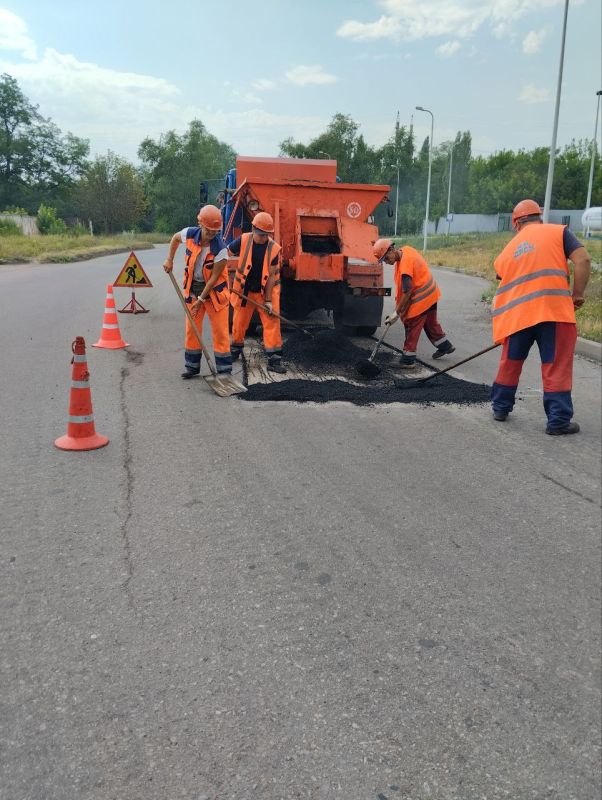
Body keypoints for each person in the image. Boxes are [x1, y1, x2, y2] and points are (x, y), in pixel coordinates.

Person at [490, 199, 591, 435]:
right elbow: (583, 260)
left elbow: (503, 277)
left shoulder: (509, 249)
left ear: (516, 223)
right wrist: (577, 294)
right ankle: (558, 421)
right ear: (539, 217)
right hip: (554, 313)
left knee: (510, 363)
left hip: (518, 318)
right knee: (555, 366)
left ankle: (500, 408)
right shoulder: (558, 233)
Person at [163, 205, 233, 379]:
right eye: (209, 231)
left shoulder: (221, 250)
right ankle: (192, 367)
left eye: (215, 232)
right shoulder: (189, 234)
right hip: (193, 290)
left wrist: (201, 300)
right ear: (200, 224)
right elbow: (174, 239)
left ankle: (224, 371)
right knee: (192, 330)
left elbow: (212, 279)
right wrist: (169, 259)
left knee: (220, 331)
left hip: (215, 294)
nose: (211, 235)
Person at [373, 238, 455, 368]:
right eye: (384, 261)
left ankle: (408, 360)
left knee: (412, 325)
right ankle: (445, 346)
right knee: (430, 324)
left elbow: (407, 291)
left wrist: (397, 313)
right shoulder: (407, 250)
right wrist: (397, 310)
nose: (387, 263)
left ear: (391, 250)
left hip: (421, 298)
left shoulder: (405, 266)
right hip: (431, 293)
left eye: (386, 258)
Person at [228, 211, 286, 374]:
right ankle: (236, 348)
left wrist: (268, 300)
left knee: (271, 321)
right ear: (253, 229)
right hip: (244, 291)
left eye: (266, 235)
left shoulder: (273, 249)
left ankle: (274, 359)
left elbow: (272, 277)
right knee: (239, 321)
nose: (262, 238)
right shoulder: (244, 239)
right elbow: (226, 254)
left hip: (266, 291)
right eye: (260, 234)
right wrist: (222, 273)